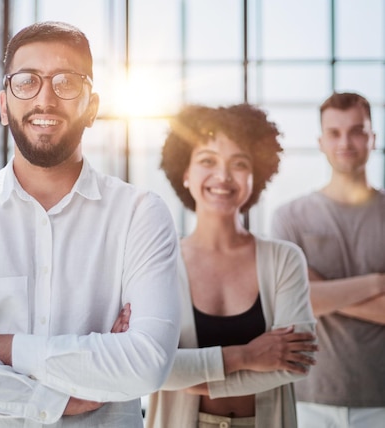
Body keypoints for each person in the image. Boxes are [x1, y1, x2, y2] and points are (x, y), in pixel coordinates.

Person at [0, 21, 180, 427]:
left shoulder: (140, 213)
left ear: (91, 106)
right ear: (4, 105)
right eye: (27, 81)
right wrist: (57, 399)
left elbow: (147, 364)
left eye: (66, 82)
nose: (46, 99)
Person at [145, 104, 318, 428]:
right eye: (207, 161)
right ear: (185, 172)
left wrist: (187, 375)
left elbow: (294, 364)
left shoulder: (284, 259)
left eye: (238, 164)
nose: (223, 176)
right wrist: (247, 357)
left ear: (257, 175)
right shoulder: (159, 262)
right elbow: (143, 363)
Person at [271, 92, 385, 427]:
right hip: (309, 399)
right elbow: (291, 301)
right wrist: (376, 282)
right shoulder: (290, 217)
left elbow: (307, 296)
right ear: (321, 142)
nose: (345, 142)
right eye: (334, 133)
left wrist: (318, 291)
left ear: (372, 138)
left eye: (356, 131)